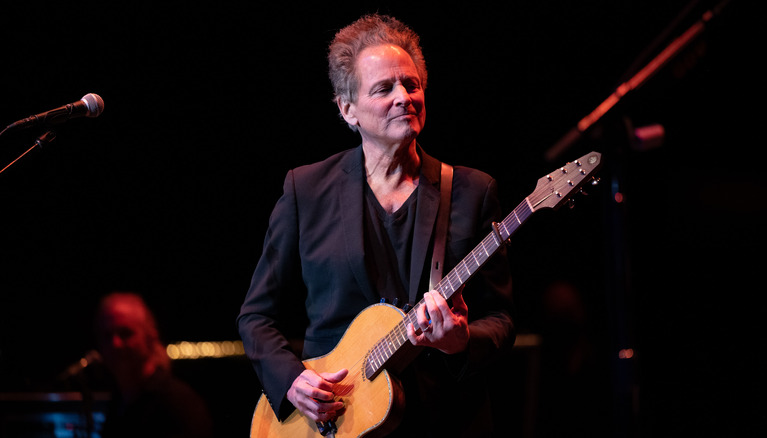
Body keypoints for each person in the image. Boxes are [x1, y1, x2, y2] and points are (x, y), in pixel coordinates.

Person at [237, 14, 514, 437]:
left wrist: (459, 341)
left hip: (445, 420)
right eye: (384, 88)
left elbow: (500, 319)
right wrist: (292, 382)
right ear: (348, 110)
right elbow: (257, 316)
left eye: (412, 85)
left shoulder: (471, 191)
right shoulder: (306, 190)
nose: (404, 97)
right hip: (334, 422)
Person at [95, 292, 213, 438]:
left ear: (150, 337)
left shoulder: (177, 404)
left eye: (125, 333)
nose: (115, 344)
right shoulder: (120, 401)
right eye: (107, 335)